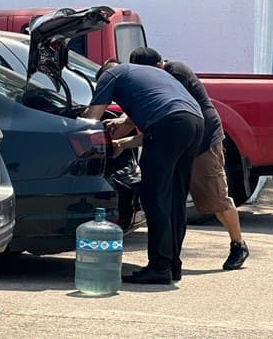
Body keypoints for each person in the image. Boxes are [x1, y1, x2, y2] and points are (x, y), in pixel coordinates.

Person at [81, 59, 204, 284]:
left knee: (154, 196)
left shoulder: (111, 76)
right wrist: (121, 143)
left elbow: (90, 120)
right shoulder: (145, 75)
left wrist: (81, 139)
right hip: (194, 122)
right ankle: (173, 265)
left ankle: (159, 267)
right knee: (175, 198)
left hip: (170, 123)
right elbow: (157, 128)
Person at [129, 47, 249, 271]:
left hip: (204, 140)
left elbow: (172, 111)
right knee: (176, 200)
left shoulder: (176, 73)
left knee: (216, 198)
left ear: (157, 67)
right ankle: (171, 258)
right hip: (183, 144)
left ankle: (238, 244)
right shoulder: (163, 75)